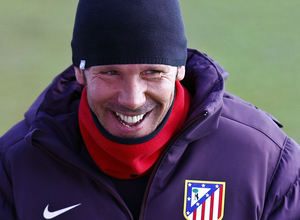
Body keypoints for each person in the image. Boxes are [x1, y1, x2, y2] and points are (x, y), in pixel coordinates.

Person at [1, 0, 299, 219]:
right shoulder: (14, 167)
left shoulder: (267, 161)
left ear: (179, 68)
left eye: (153, 72)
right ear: (80, 73)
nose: (132, 99)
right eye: (111, 72)